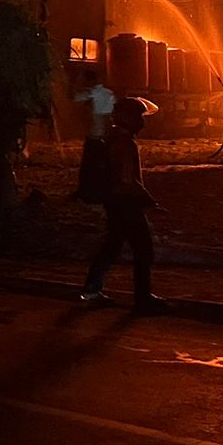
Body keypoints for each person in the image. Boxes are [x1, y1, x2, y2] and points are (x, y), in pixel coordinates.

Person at [81, 96, 168, 314]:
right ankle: (142, 298)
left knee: (111, 246)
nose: (143, 122)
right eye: (139, 117)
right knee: (143, 250)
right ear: (128, 118)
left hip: (113, 201)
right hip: (126, 203)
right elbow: (128, 180)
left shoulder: (110, 139)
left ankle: (91, 290)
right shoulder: (124, 143)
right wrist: (150, 201)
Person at [74, 70, 116, 140]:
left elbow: (73, 101)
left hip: (95, 134)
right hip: (108, 133)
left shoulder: (89, 94)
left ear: (88, 81)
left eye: (83, 80)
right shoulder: (109, 93)